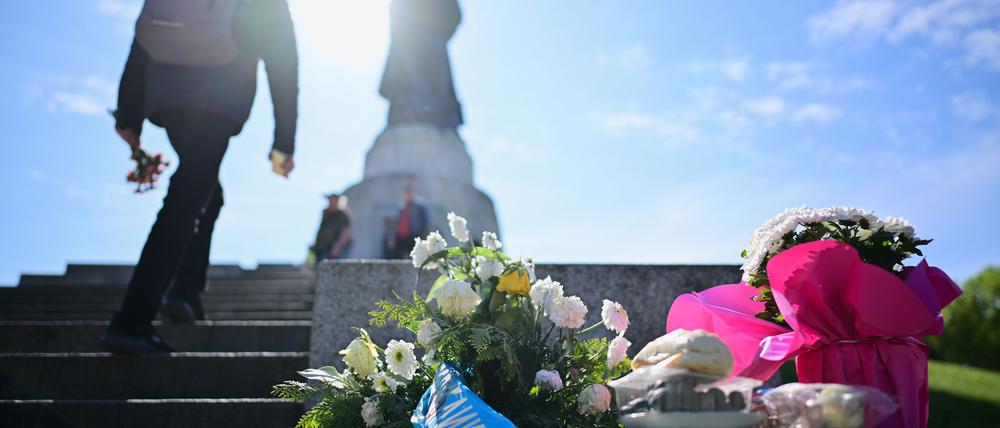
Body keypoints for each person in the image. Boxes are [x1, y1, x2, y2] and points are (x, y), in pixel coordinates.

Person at [100, 0, 299, 353]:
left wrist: (128, 112)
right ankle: (132, 320)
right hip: (220, 94)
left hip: (169, 95)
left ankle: (185, 293)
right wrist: (283, 141)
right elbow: (283, 58)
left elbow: (147, 30)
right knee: (188, 192)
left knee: (205, 189)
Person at [307, 194, 352, 267]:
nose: (331, 203)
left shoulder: (342, 215)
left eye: (333, 201)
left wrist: (337, 247)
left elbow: (345, 233)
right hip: (321, 248)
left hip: (332, 249)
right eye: (330, 200)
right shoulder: (327, 213)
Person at [385, 186, 428, 259]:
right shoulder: (401, 206)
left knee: (414, 256)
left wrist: (423, 234)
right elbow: (397, 223)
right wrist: (393, 237)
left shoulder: (419, 206)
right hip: (400, 236)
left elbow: (425, 221)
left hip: (413, 235)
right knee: (396, 256)